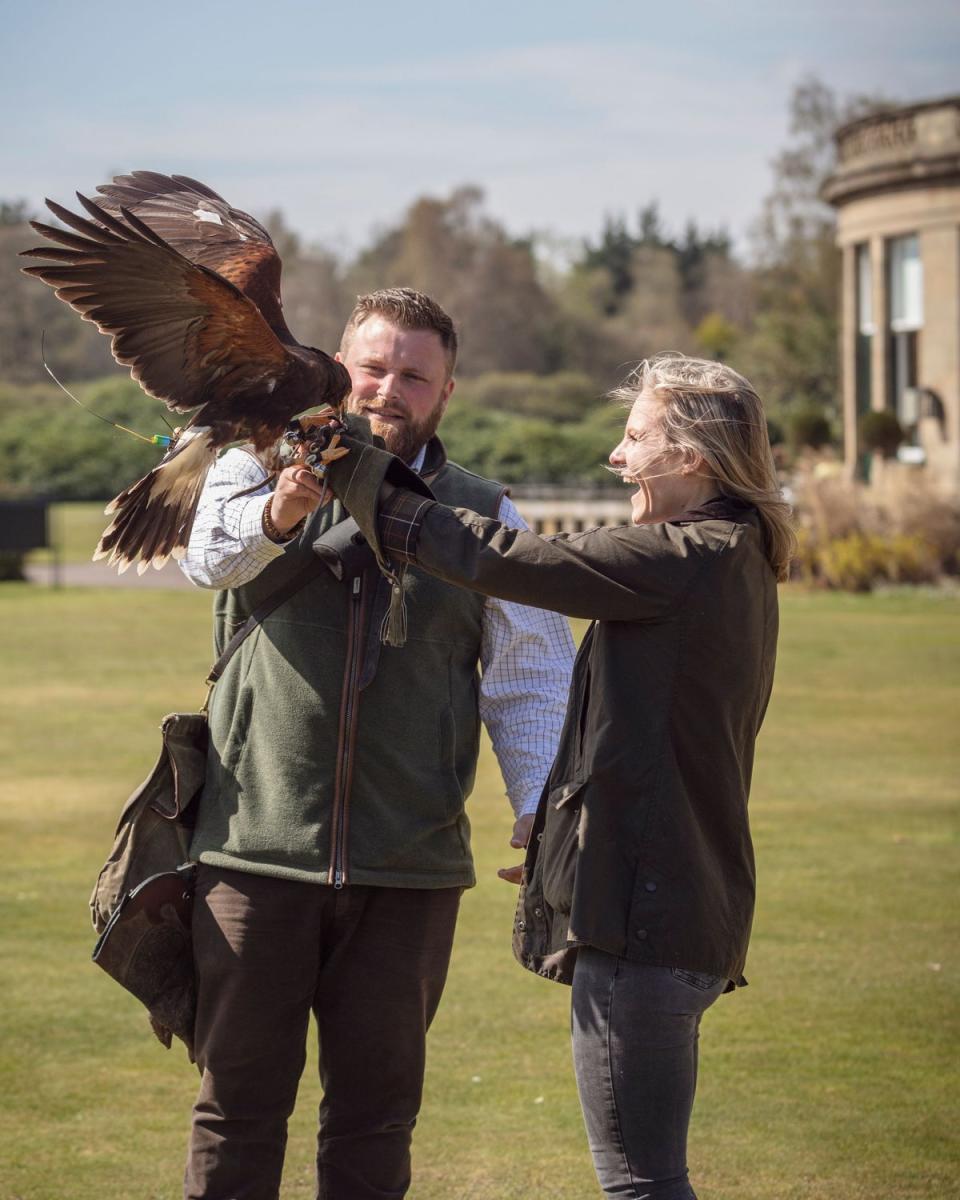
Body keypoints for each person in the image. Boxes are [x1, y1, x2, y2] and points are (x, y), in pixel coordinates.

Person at [321, 352, 795, 1199]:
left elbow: (502, 556)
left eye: (635, 436)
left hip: (646, 925)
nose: (616, 456)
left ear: (691, 458)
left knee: (641, 1184)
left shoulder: (690, 556)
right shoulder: (729, 555)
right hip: (674, 910)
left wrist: (351, 463)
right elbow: (642, 743)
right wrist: (556, 839)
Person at [177, 287, 575, 1200]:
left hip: (411, 868)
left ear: (445, 391)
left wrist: (539, 808)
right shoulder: (255, 466)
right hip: (253, 855)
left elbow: (529, 677)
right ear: (336, 367)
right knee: (236, 1111)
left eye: (412, 375)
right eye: (372, 367)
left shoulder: (485, 509)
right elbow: (209, 559)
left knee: (374, 1121)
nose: (386, 389)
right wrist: (282, 512)